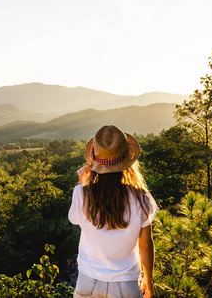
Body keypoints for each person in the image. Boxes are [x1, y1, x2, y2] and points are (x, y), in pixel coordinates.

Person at [69, 125, 158, 298]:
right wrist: (148, 278)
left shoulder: (81, 194)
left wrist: (82, 185)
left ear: (93, 161)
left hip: (88, 281)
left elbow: (75, 220)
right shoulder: (141, 197)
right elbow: (146, 244)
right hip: (126, 284)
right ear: (127, 162)